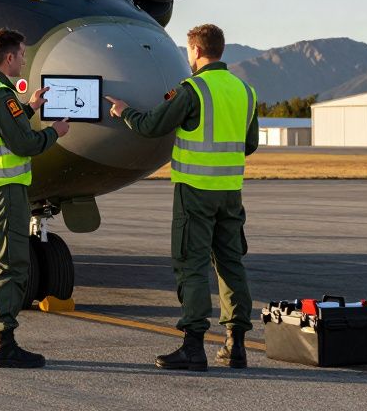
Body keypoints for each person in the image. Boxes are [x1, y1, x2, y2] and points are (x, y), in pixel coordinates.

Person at [105, 23, 258, 371]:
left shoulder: (193, 90)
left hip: (196, 192)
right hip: (230, 194)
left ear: (197, 51)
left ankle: (193, 346)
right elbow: (249, 144)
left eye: (188, 51)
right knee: (231, 264)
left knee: (191, 265)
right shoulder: (245, 90)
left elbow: (150, 126)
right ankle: (236, 346)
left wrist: (123, 112)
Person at [0, 28, 69, 369]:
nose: (24, 59)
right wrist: (55, 131)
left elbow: (0, 128)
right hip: (4, 192)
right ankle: (3, 343)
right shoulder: (1, 96)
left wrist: (29, 108)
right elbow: (25, 145)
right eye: (22, 54)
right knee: (9, 265)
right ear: (9, 57)